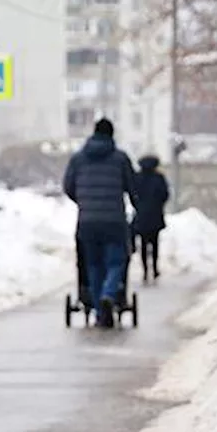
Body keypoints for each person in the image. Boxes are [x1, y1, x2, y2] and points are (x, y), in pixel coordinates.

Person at [63, 117, 140, 328]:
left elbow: (68, 187)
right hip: (114, 221)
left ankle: (98, 310)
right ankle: (109, 294)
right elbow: (132, 187)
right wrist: (136, 206)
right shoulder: (120, 158)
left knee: (93, 265)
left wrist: (84, 201)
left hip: (87, 222)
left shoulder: (78, 159)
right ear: (111, 135)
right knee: (116, 261)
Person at [130, 154, 171, 281]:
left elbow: (132, 193)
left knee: (143, 243)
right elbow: (165, 194)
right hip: (155, 214)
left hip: (141, 214)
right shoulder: (159, 177)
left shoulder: (136, 177)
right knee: (154, 242)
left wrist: (137, 206)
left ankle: (145, 270)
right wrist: (159, 205)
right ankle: (155, 268)